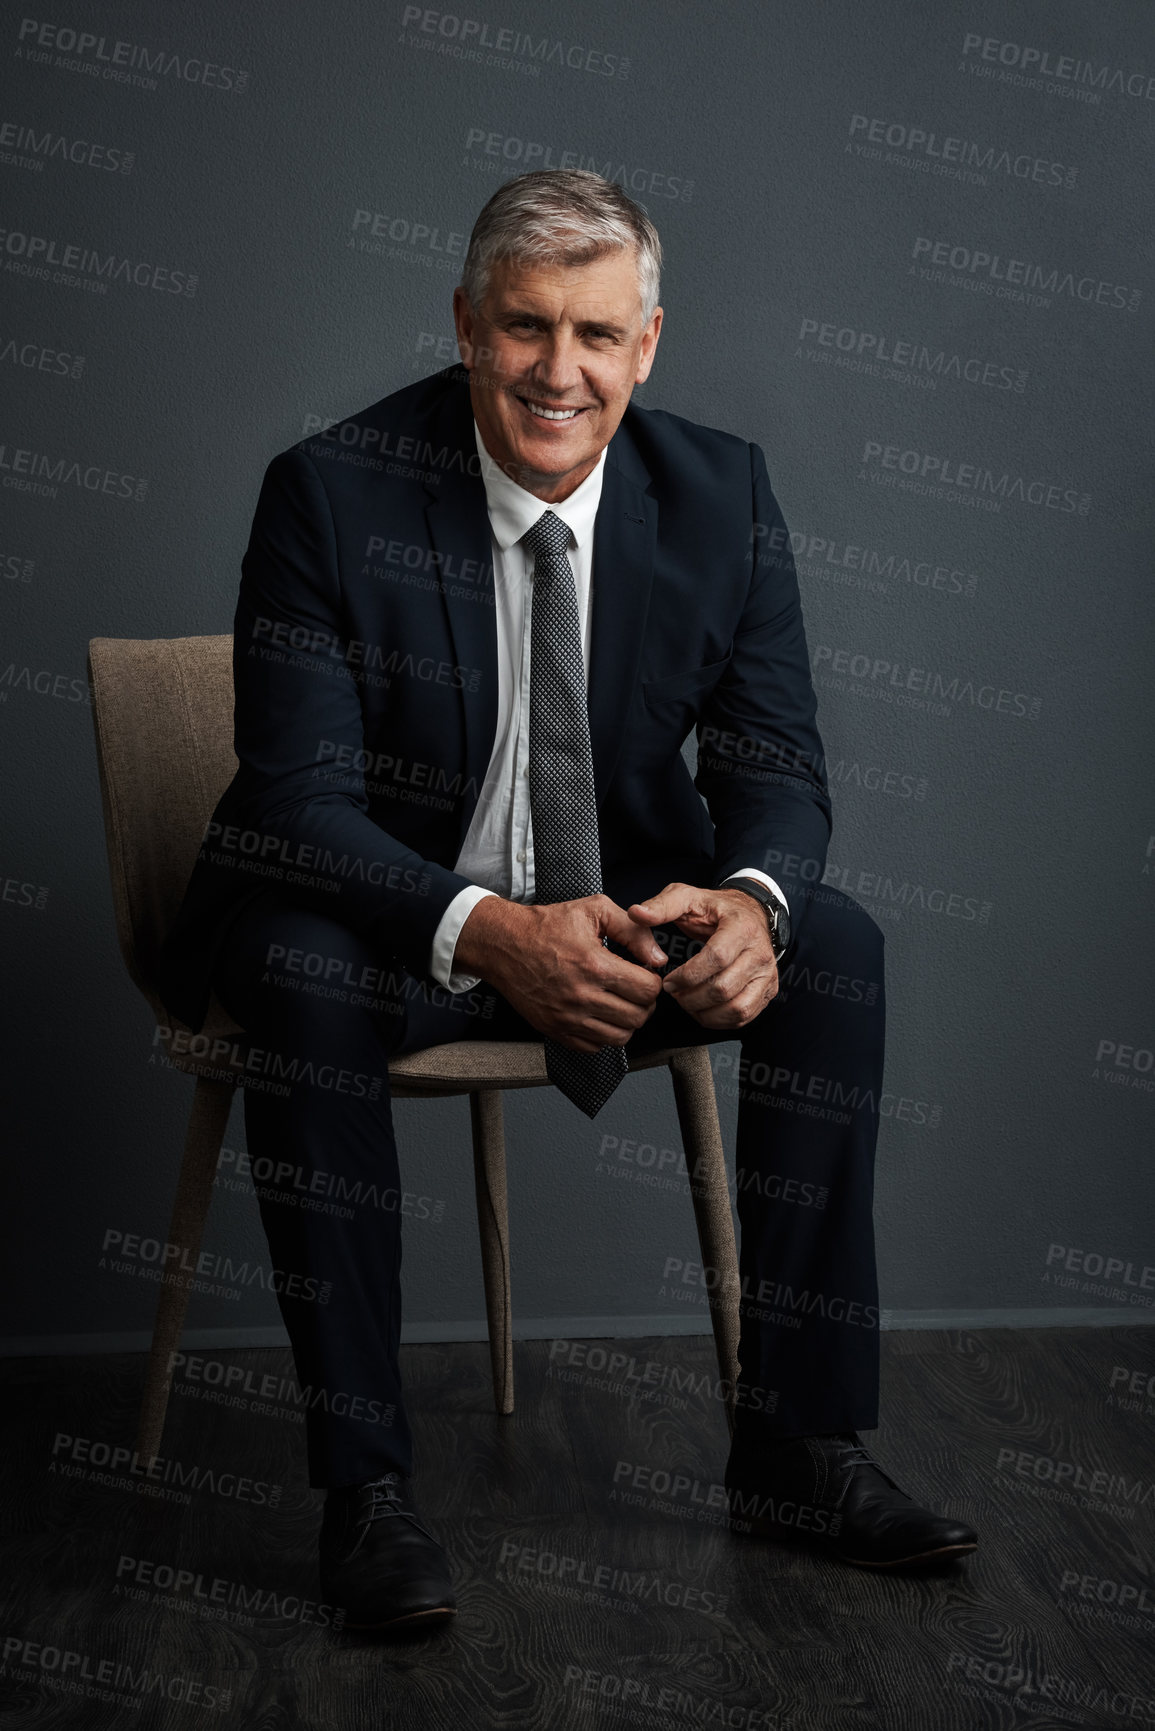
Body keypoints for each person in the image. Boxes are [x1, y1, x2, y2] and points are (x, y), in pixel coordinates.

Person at [158, 169, 978, 1632]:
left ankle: (796, 1445)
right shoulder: (330, 494)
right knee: (297, 967)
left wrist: (751, 902)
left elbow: (779, 764)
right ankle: (366, 1490)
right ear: (466, 325)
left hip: (609, 907)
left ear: (647, 345)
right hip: (378, 915)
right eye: (526, 327)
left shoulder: (720, 494)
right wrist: (486, 931)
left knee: (833, 945)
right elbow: (295, 804)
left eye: (597, 335)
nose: (560, 370)